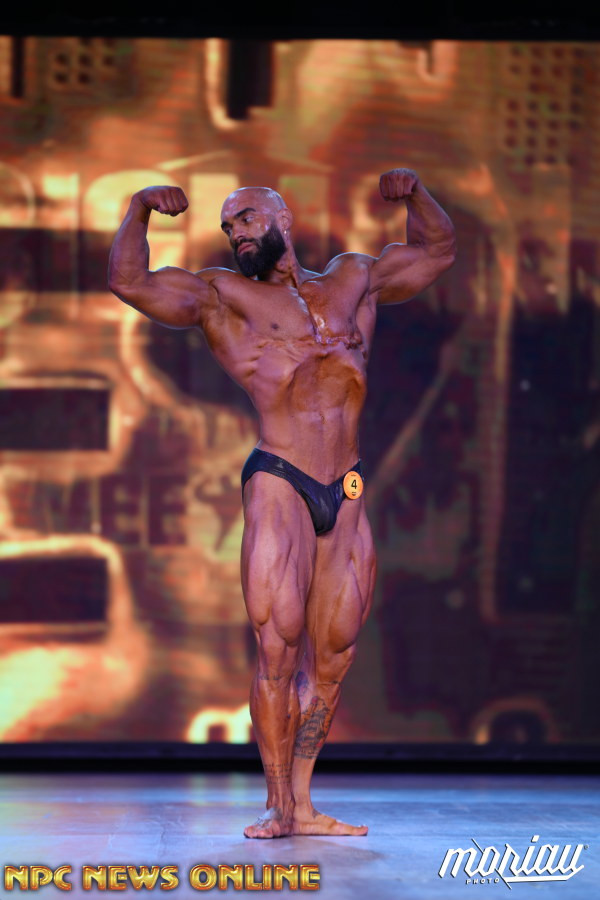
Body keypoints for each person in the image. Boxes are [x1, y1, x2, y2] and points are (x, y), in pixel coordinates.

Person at [108, 169, 456, 838]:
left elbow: (437, 251)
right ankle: (275, 804)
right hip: (279, 478)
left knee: (334, 653)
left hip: (345, 483)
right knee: (278, 647)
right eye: (227, 226)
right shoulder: (223, 296)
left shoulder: (354, 280)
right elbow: (131, 282)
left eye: (245, 218)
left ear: (282, 219)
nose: (235, 232)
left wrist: (417, 193)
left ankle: (302, 802)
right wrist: (139, 209)